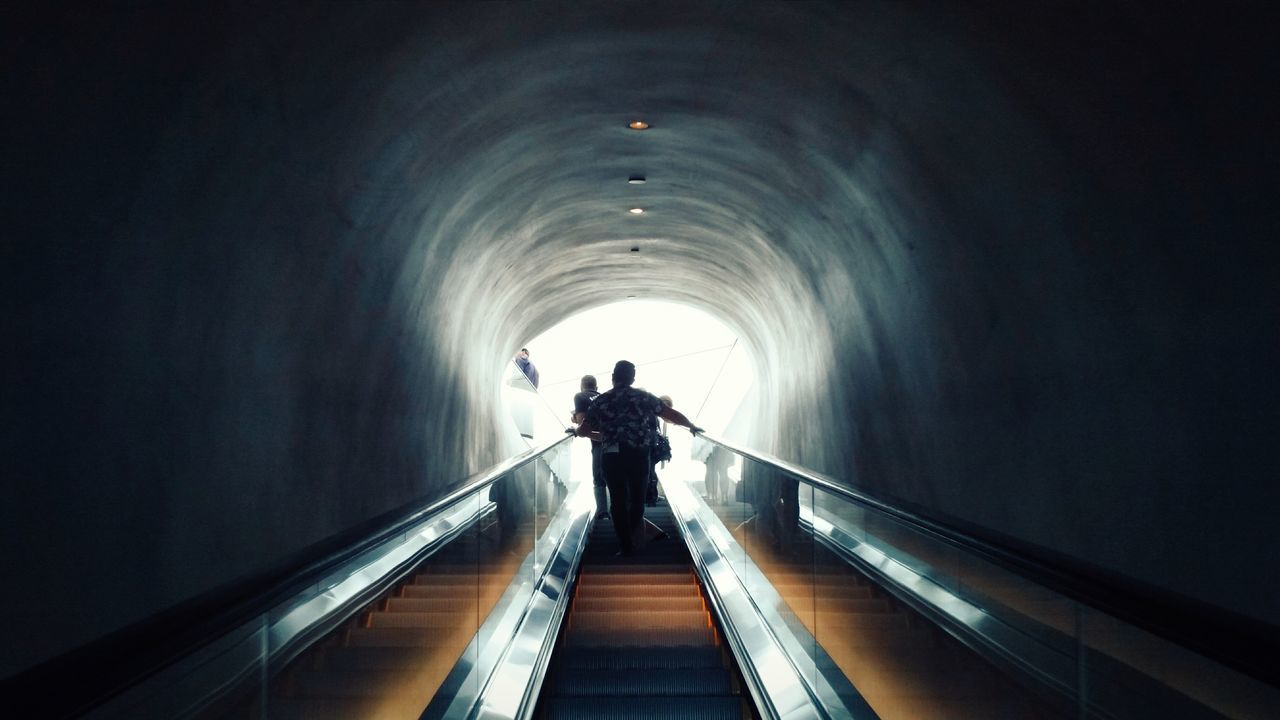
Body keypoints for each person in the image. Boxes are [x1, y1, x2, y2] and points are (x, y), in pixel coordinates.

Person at [570, 360, 702, 556]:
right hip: (638, 455)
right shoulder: (644, 398)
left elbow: (585, 430)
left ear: (613, 377)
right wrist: (690, 425)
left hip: (611, 456)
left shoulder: (602, 400)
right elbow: (669, 413)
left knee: (617, 500)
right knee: (637, 500)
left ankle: (625, 546)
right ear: (632, 378)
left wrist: (576, 430)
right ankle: (635, 538)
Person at [571, 374, 608, 518]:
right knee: (615, 479)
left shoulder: (580, 397)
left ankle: (603, 512)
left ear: (582, 386)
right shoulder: (604, 397)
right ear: (596, 387)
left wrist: (575, 426)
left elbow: (583, 426)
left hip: (599, 443)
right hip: (616, 443)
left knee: (599, 479)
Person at [646, 395, 674, 506]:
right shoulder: (652, 415)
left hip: (643, 447)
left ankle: (650, 496)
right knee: (649, 472)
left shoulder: (649, 412)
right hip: (647, 447)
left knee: (648, 471)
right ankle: (650, 497)